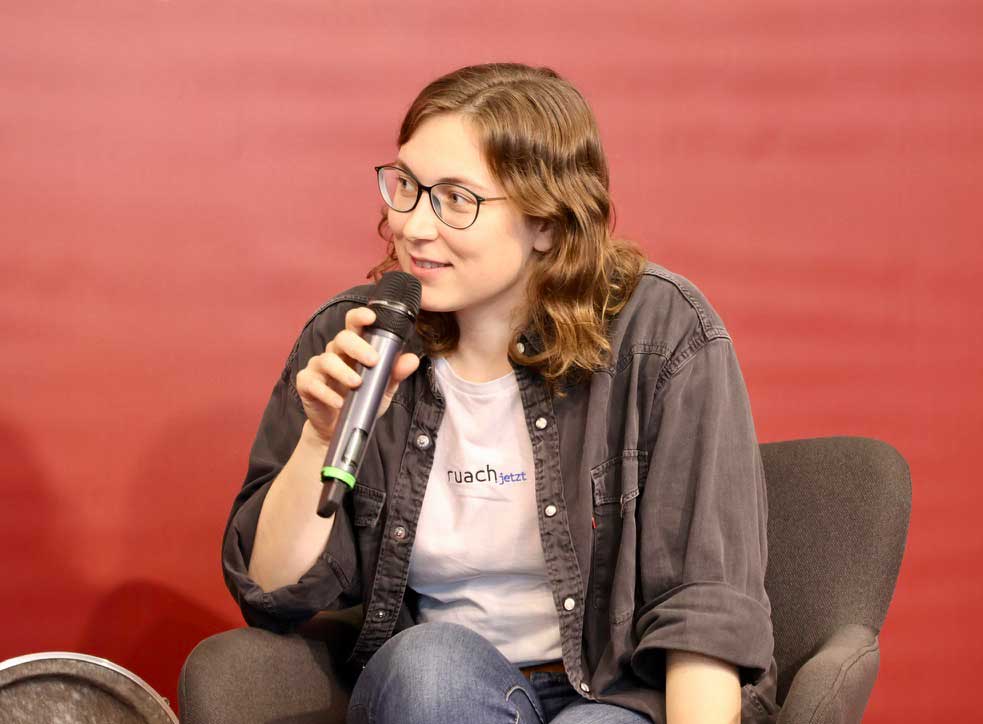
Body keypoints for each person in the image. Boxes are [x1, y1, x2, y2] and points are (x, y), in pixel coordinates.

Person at [222, 63, 777, 724]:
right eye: (406, 187)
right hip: (442, 696)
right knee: (427, 670)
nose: (414, 226)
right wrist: (319, 435)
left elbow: (704, 607)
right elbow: (275, 595)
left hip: (616, 693)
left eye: (455, 199)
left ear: (546, 221)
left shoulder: (660, 335)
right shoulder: (355, 337)